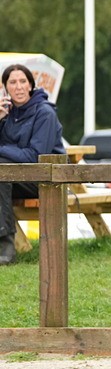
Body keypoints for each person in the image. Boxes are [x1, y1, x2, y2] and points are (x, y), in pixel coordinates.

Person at [0, 64, 66, 263]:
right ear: (5, 88)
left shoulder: (45, 114)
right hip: (14, 178)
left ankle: (6, 246)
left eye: (23, 81)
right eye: (12, 82)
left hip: (46, 178)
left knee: (1, 173)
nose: (18, 87)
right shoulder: (7, 113)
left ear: (31, 85)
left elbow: (34, 157)